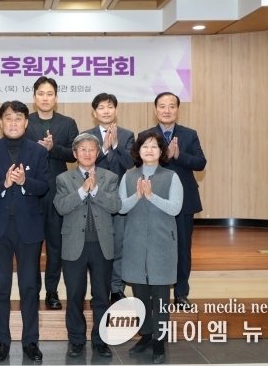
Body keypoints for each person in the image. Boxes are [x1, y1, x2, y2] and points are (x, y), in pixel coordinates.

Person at [0, 101, 50, 362]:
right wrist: (5, 183)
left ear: (26, 122)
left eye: (18, 118)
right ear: (1, 122)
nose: (13, 123)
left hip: (28, 228)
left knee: (29, 286)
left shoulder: (37, 151)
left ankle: (31, 342)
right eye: (8, 118)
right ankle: (1, 341)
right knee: (0, 288)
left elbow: (44, 186)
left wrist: (25, 182)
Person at [53, 133, 121, 359]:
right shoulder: (64, 179)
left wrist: (96, 191)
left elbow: (115, 206)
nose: (87, 153)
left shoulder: (110, 177)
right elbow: (61, 207)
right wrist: (83, 191)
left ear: (98, 153)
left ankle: (101, 340)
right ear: (75, 154)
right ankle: (76, 340)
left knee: (101, 295)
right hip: (74, 245)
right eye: (82, 149)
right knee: (74, 296)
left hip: (102, 245)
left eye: (91, 149)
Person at [119, 131, 183, 364]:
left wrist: (151, 196)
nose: (149, 150)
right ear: (138, 151)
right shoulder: (128, 176)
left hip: (162, 244)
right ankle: (146, 335)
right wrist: (138, 196)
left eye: (154, 146)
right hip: (135, 244)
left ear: (161, 151)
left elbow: (175, 208)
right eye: (145, 146)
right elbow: (121, 207)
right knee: (140, 295)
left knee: (161, 298)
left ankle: (159, 343)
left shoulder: (171, 176)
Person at [140, 92, 206, 309]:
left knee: (182, 248)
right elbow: (138, 162)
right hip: (154, 199)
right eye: (162, 106)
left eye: (171, 106)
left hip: (184, 201)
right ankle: (155, 293)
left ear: (178, 109)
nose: (166, 110)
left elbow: (200, 163)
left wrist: (179, 156)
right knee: (155, 248)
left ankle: (181, 293)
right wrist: (164, 156)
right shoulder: (146, 136)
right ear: (155, 110)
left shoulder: (189, 134)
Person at [24, 76, 78, 310]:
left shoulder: (68, 123)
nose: (45, 98)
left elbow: (75, 154)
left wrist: (53, 148)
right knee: (31, 245)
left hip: (58, 193)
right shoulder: (24, 121)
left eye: (49, 94)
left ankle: (52, 291)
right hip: (30, 192)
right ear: (34, 96)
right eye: (41, 94)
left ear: (56, 97)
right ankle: (31, 290)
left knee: (55, 245)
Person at [83, 93, 134, 303]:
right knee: (98, 248)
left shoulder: (127, 135)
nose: (106, 111)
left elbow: (130, 163)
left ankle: (116, 288)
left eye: (110, 107)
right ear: (94, 112)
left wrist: (115, 145)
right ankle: (99, 289)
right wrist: (103, 148)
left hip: (120, 198)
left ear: (116, 110)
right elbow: (85, 163)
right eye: (101, 107)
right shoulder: (87, 135)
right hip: (94, 198)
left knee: (119, 245)